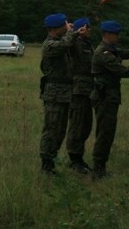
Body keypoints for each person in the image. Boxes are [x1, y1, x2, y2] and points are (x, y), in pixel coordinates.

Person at [90, 20, 129, 179]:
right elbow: (121, 71)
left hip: (110, 97)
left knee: (108, 132)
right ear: (107, 35)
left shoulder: (111, 49)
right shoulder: (103, 53)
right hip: (104, 97)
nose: (118, 37)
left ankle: (100, 167)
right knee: (105, 133)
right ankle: (98, 169)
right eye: (116, 35)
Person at [38, 13, 75, 175]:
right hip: (54, 93)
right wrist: (71, 32)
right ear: (54, 29)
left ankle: (52, 161)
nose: (66, 28)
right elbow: (65, 45)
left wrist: (72, 32)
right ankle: (46, 164)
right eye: (63, 26)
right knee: (52, 128)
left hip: (63, 92)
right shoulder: (50, 45)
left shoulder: (60, 40)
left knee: (60, 130)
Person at [65, 17, 95, 174]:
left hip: (87, 90)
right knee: (77, 124)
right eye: (87, 27)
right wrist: (72, 32)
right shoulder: (75, 43)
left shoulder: (87, 45)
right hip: (77, 90)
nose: (89, 30)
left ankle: (79, 157)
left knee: (85, 125)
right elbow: (67, 45)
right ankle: (74, 159)